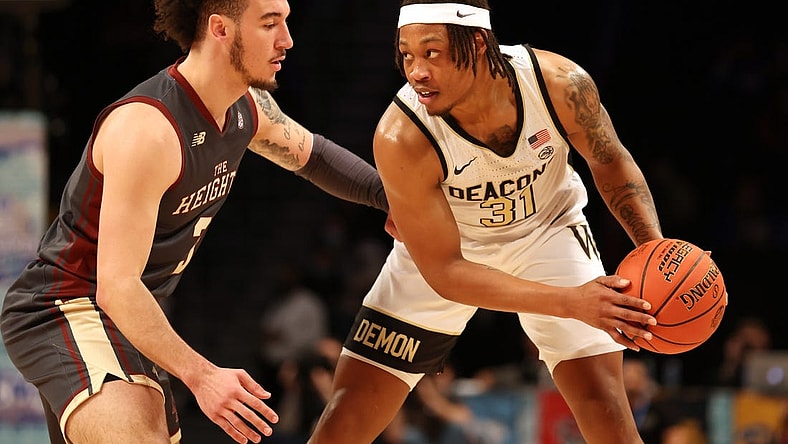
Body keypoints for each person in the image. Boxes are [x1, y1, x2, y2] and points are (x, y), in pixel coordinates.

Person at [0, 0, 389, 443]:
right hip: (68, 306)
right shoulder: (148, 130)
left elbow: (314, 156)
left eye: (286, 21)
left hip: (128, 315)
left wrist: (393, 202)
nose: (287, 40)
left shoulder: (246, 108)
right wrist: (202, 375)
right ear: (220, 29)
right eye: (270, 24)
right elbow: (117, 286)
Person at [308, 1, 663, 443]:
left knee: (605, 408)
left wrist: (654, 250)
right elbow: (445, 272)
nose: (416, 71)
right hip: (449, 247)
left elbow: (610, 161)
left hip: (549, 229)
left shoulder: (557, 84)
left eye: (432, 53)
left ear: (477, 42)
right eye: (406, 55)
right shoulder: (402, 135)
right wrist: (573, 302)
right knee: (348, 414)